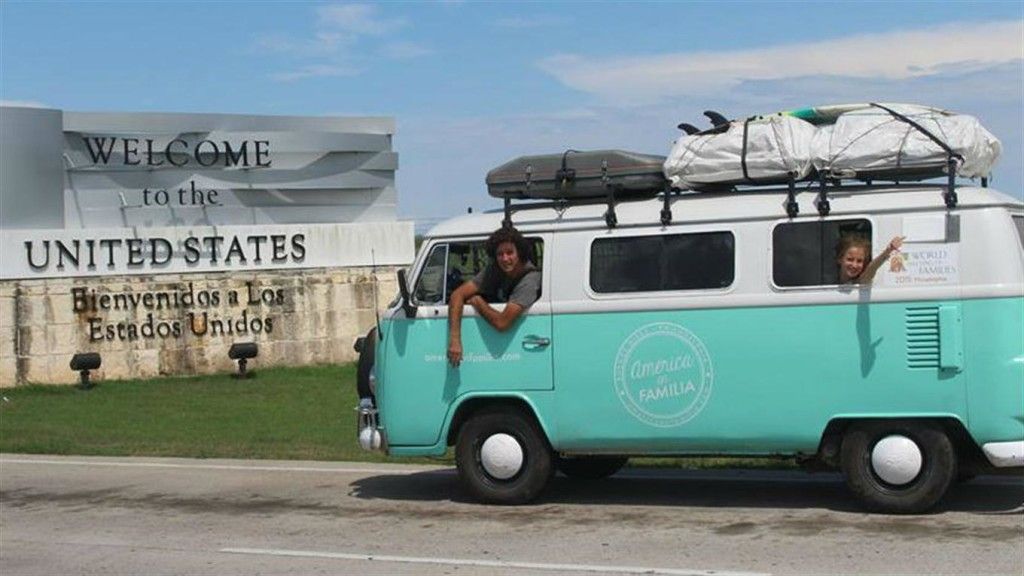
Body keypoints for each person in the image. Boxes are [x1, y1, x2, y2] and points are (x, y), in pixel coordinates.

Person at [447, 226, 541, 366]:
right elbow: (457, 294)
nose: (505, 259)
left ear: (520, 253)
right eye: (500, 254)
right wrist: (454, 339)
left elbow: (502, 323)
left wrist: (478, 302)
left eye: (510, 253)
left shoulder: (530, 280)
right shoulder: (495, 270)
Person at [836, 234, 905, 284]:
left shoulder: (861, 281)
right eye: (850, 259)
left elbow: (872, 268)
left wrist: (888, 251)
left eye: (859, 261)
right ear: (839, 259)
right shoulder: (827, 280)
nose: (854, 265)